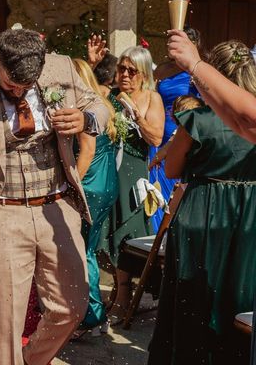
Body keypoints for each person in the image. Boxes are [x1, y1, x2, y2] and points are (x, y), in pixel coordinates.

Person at [0, 27, 109, 365]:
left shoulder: (61, 68)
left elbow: (99, 107)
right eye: (11, 84)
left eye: (26, 85)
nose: (18, 90)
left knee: (72, 306)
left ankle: (31, 359)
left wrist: (85, 118)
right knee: (5, 323)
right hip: (2, 213)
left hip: (57, 208)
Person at [148, 40, 256, 364]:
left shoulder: (198, 120)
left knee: (193, 302)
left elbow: (172, 169)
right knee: (240, 297)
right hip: (251, 214)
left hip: (203, 214)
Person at [99, 46, 165, 324]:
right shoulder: (110, 96)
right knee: (108, 231)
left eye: (131, 70)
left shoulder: (152, 98)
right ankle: (118, 288)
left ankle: (125, 295)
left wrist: (137, 115)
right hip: (108, 170)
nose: (124, 74)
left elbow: (156, 139)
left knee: (128, 233)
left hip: (133, 172)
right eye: (121, 69)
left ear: (143, 73)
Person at [72, 58, 119, 337]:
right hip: (106, 184)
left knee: (83, 250)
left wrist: (70, 187)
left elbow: (87, 153)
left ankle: (91, 317)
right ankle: (93, 315)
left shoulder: (83, 109)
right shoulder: (104, 103)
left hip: (88, 186)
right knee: (87, 247)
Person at [148, 27, 201, 229]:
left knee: (176, 190)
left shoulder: (196, 69)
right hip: (159, 132)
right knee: (156, 189)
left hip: (183, 133)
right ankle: (155, 233)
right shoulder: (161, 70)